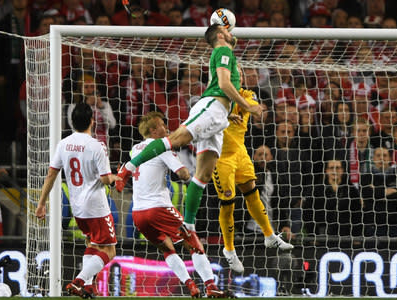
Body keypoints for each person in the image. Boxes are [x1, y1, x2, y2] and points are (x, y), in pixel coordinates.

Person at [117, 24, 262, 238]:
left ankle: (189, 225)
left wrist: (226, 113)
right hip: (211, 109)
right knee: (173, 140)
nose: (232, 33)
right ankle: (126, 169)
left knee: (202, 176)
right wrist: (247, 105)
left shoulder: (222, 53)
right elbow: (223, 84)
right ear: (220, 35)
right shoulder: (223, 50)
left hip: (217, 115)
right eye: (227, 30)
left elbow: (218, 84)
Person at [130, 111, 230, 298]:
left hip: (138, 213)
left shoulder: (134, 149)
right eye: (162, 125)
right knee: (193, 242)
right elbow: (183, 173)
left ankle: (191, 285)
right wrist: (195, 178)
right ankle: (211, 286)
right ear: (153, 130)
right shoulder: (161, 147)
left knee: (167, 248)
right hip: (158, 207)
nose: (166, 128)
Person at [35, 103, 121, 298]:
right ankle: (78, 281)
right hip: (97, 207)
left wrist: (41, 204)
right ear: (92, 120)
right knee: (109, 251)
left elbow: (51, 175)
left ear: (72, 122)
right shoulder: (97, 145)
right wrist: (117, 177)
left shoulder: (63, 144)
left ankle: (88, 286)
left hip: (78, 208)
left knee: (93, 245)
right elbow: (106, 179)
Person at [212, 83, 293, 273]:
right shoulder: (214, 96)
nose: (236, 75)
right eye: (233, 70)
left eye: (239, 72)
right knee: (228, 201)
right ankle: (229, 249)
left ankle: (269, 235)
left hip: (240, 151)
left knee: (253, 192)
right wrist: (224, 115)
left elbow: (254, 108)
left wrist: (230, 110)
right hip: (221, 155)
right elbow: (205, 118)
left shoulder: (249, 94)